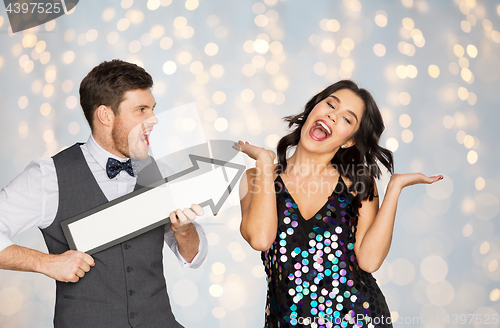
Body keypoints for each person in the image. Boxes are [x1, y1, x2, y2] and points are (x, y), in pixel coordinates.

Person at [0, 59, 208, 328]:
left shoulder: (161, 171)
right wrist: (45, 263)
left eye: (153, 109)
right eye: (141, 110)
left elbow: (193, 258)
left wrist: (185, 231)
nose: (153, 120)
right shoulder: (49, 176)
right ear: (106, 115)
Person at [234, 80, 443, 328]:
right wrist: (265, 163)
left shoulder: (358, 184)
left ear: (349, 141)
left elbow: (369, 261)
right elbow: (260, 239)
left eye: (347, 119)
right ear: (313, 109)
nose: (333, 116)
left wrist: (394, 188)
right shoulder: (255, 178)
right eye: (331, 105)